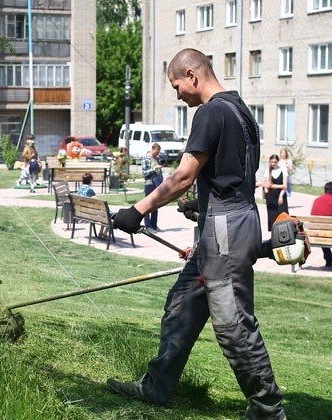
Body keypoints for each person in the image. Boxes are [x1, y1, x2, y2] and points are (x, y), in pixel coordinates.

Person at [109, 48, 286, 419]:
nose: (178, 95)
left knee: (232, 323)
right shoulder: (239, 110)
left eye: (177, 86)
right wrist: (201, 207)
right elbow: (230, 176)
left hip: (225, 233)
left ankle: (267, 409)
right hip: (227, 222)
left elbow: (184, 175)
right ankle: (156, 387)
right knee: (182, 305)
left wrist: (137, 210)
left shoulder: (211, 111)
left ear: (192, 75)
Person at [260, 154, 289, 231]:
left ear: (278, 162)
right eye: (271, 162)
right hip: (271, 197)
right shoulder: (268, 171)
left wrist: (281, 195)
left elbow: (285, 186)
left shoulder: (283, 170)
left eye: (275, 162)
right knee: (272, 217)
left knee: (283, 215)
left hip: (280, 195)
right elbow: (268, 185)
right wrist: (280, 186)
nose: (273, 163)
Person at [141, 143, 164, 232]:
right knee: (148, 205)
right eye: (156, 152)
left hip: (157, 184)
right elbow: (144, 173)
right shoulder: (146, 158)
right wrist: (154, 168)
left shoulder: (157, 158)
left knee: (155, 205)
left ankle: (154, 225)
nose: (157, 154)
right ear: (152, 149)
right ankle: (148, 226)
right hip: (149, 183)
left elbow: (159, 172)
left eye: (158, 152)